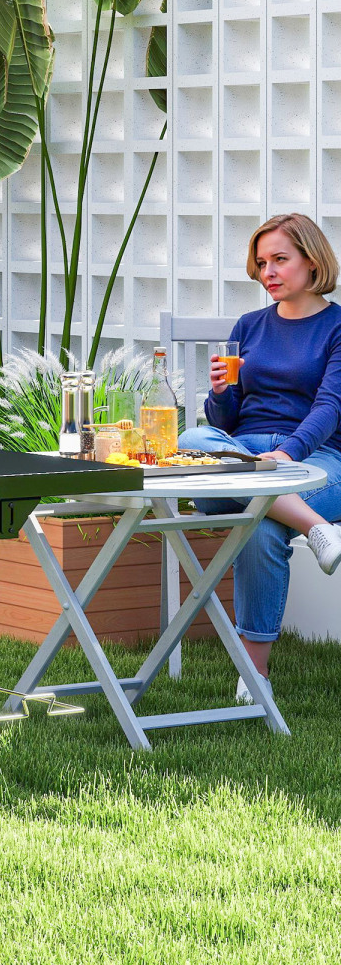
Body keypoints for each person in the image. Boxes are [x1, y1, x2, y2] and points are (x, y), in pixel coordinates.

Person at [178, 212, 341, 699]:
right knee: (191, 439)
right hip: (245, 452)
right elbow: (223, 425)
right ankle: (317, 528)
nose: (268, 272)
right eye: (262, 262)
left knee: (262, 525)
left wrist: (287, 454)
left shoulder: (337, 327)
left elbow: (331, 407)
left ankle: (255, 676)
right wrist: (220, 394)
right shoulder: (249, 325)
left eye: (280, 260)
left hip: (316, 458)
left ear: (312, 261)